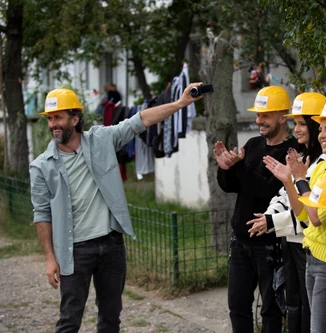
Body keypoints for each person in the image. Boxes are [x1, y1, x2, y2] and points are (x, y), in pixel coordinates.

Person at [29, 84, 202, 333]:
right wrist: (49, 258)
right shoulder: (41, 167)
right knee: (69, 320)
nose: (53, 124)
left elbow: (139, 120)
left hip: (111, 245)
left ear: (75, 119)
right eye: (50, 118)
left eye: (58, 117)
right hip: (74, 249)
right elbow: (42, 214)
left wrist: (179, 104)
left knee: (111, 319)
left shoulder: (102, 139)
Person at [265, 98, 326, 332]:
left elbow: (317, 217)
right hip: (313, 256)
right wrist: (289, 181)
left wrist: (299, 180)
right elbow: (302, 214)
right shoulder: (322, 167)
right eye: (320, 129)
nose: (321, 135)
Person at [214, 86, 299, 333]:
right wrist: (226, 167)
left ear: (283, 117)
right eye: (258, 115)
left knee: (271, 311)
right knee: (238, 306)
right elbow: (232, 186)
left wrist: (240, 168)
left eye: (266, 115)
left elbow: (270, 192)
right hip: (241, 241)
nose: (259, 120)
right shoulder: (252, 144)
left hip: (271, 245)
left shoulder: (292, 152)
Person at [246, 92, 326, 333]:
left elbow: (309, 212)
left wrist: (271, 220)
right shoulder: (303, 157)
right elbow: (284, 195)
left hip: (310, 247)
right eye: (296, 123)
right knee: (294, 307)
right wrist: (268, 216)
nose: (297, 130)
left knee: (310, 310)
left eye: (302, 123)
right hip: (291, 244)